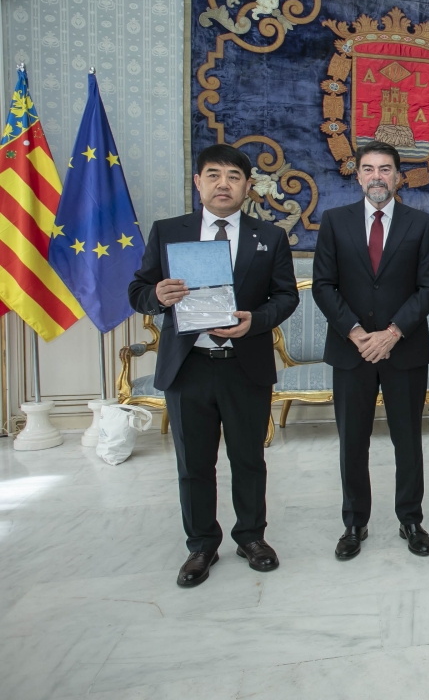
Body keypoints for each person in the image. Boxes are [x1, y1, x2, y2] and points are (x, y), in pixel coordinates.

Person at [128, 143, 298, 588]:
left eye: (234, 177)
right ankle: (201, 544)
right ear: (199, 182)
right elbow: (139, 289)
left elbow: (286, 297)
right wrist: (156, 297)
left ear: (248, 187)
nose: (224, 184)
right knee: (194, 463)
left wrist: (256, 321)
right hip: (189, 365)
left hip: (245, 364)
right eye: (214, 175)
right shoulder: (169, 232)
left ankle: (251, 537)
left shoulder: (270, 237)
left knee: (248, 458)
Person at [311, 140, 429, 560]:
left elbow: (428, 289)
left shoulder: (420, 223)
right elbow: (323, 285)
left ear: (399, 176)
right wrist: (355, 332)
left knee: (408, 440)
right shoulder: (334, 221)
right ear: (358, 175)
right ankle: (354, 523)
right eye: (369, 169)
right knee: (353, 441)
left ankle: (411, 518)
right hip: (352, 351)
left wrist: (392, 332)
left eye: (385, 169)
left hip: (403, 350)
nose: (377, 177)